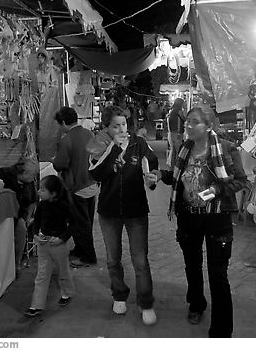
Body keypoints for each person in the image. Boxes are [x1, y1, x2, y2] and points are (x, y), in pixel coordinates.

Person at [154, 104, 247, 337]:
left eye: (194, 122)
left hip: (217, 219)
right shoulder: (184, 148)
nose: (187, 125)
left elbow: (240, 181)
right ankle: (196, 304)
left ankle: (222, 331)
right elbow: (176, 179)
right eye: (187, 121)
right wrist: (159, 175)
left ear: (209, 126)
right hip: (189, 218)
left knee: (218, 275)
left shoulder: (226, 149)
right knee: (192, 265)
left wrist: (216, 190)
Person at [88, 105, 160, 325]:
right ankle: (119, 295)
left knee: (140, 259)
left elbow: (153, 165)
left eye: (124, 124)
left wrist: (152, 178)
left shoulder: (139, 144)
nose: (121, 129)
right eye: (115, 125)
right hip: (109, 211)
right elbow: (96, 174)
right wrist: (114, 149)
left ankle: (145, 302)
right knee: (113, 259)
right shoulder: (100, 146)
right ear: (106, 128)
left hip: (136, 210)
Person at [52, 106, 98, 268]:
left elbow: (60, 164)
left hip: (76, 186)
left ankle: (88, 256)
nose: (60, 127)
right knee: (86, 222)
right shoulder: (89, 134)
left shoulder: (66, 140)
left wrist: (54, 159)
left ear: (64, 122)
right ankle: (79, 250)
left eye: (60, 124)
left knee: (79, 224)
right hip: (91, 184)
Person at [24, 175, 76, 317]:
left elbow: (73, 224)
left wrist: (62, 239)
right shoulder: (42, 205)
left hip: (59, 244)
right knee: (42, 275)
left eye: (42, 190)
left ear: (53, 193)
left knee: (63, 271)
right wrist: (35, 235)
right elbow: (37, 222)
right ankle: (36, 305)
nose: (39, 192)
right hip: (43, 243)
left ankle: (67, 293)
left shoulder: (65, 206)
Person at [0, 158, 38, 278]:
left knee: (21, 229)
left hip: (19, 213)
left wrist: (27, 217)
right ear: (22, 173)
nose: (33, 179)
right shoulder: (1, 175)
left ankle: (16, 263)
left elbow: (33, 201)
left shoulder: (29, 183)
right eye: (32, 175)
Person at [166, 98, 187, 166]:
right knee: (178, 151)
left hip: (172, 133)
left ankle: (173, 167)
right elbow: (185, 119)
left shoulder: (172, 111)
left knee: (174, 151)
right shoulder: (178, 111)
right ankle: (178, 167)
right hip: (177, 133)